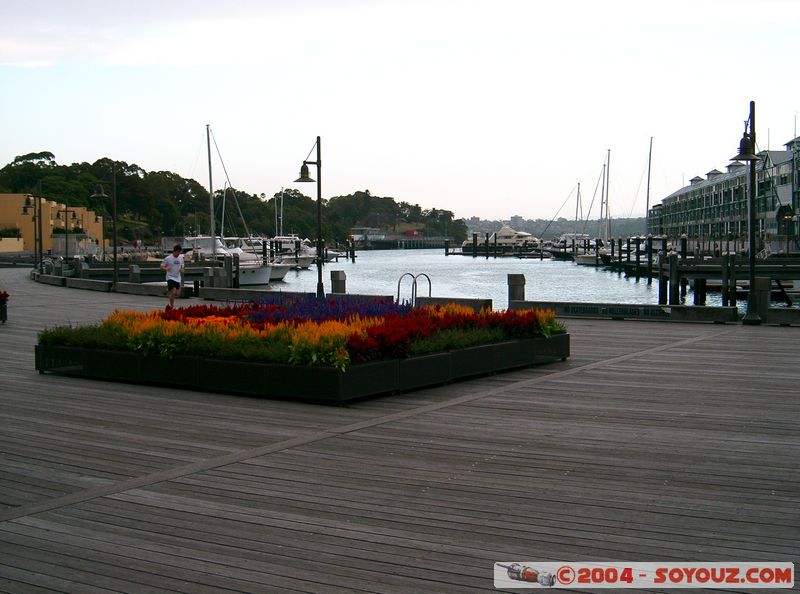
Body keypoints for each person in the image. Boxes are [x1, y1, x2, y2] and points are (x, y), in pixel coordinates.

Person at [160, 244, 184, 310]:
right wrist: (166, 269)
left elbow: (182, 267)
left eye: (180, 252)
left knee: (178, 294)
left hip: (178, 277)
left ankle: (168, 290)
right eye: (178, 252)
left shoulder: (181, 258)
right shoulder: (168, 258)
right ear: (174, 251)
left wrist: (182, 269)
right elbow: (161, 267)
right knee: (173, 292)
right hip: (170, 277)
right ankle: (172, 306)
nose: (179, 254)